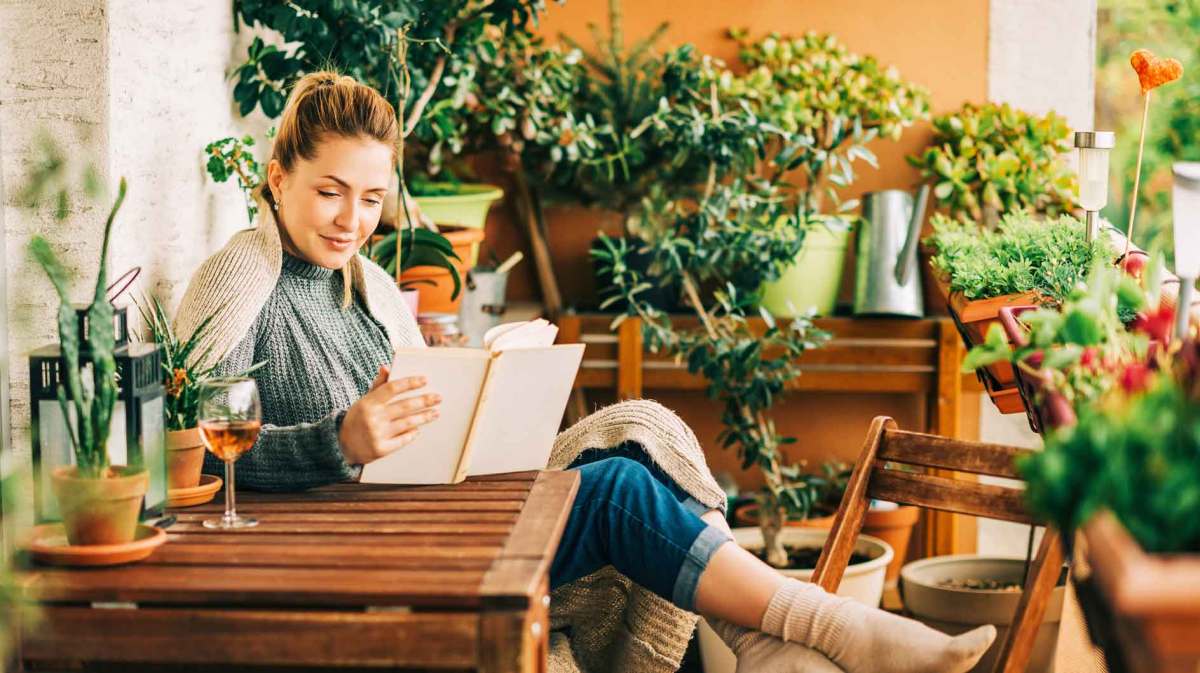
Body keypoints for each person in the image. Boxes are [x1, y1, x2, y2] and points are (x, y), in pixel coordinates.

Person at [175, 71, 996, 673]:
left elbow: (425, 420)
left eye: (370, 199)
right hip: (368, 551)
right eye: (329, 192)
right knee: (613, 492)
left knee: (634, 447)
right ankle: (826, 627)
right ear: (277, 176)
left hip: (427, 519)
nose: (352, 219)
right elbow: (189, 455)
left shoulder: (372, 286)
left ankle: (765, 638)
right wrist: (336, 440)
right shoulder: (244, 270)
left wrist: (490, 385)